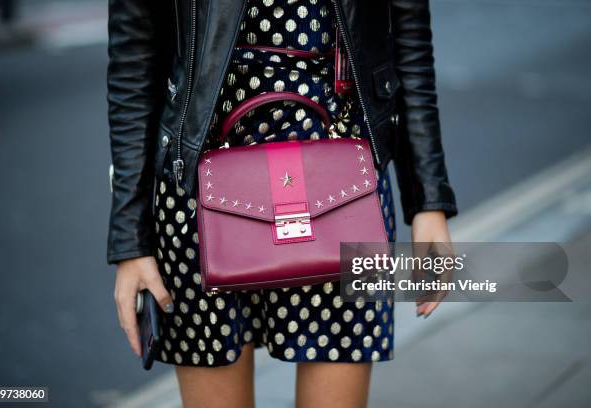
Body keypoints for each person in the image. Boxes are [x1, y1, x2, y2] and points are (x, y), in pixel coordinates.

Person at [107, 1, 458, 407]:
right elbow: (133, 61)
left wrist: (428, 204)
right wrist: (131, 240)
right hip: (198, 191)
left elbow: (408, 42)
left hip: (346, 189)